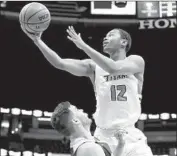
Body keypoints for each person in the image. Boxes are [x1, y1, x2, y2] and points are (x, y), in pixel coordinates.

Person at [21, 25, 153, 156]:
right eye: (105, 36)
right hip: (103, 137)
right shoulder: (93, 67)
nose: (105, 38)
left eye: (111, 35)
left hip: (130, 136)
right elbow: (59, 63)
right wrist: (37, 41)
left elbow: (113, 68)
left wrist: (83, 46)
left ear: (124, 42)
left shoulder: (135, 61)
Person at [50, 101, 126, 156]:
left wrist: (121, 144)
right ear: (76, 121)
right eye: (77, 110)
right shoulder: (88, 148)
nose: (82, 110)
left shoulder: (87, 144)